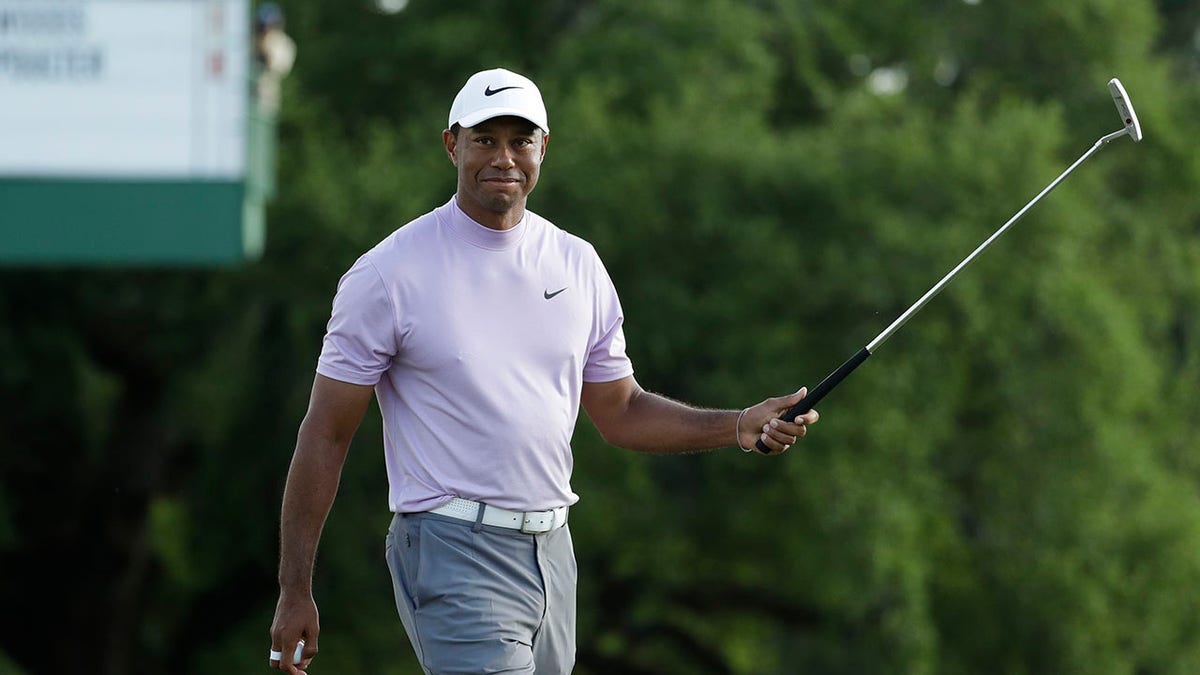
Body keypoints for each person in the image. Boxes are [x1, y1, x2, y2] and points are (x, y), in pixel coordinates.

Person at [268, 67, 819, 674]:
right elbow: (326, 432)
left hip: (553, 551)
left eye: (520, 140)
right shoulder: (386, 275)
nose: (503, 157)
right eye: (484, 139)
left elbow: (621, 410)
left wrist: (738, 424)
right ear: (452, 144)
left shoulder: (577, 264)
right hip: (451, 547)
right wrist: (296, 588)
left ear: (543, 149)